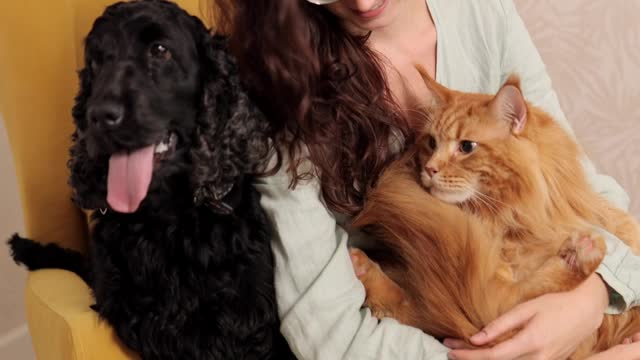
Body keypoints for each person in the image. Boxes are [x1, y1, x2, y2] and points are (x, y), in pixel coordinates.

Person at [211, 0, 640, 358]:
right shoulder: (280, 87)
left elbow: (586, 194)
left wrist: (596, 295)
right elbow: (329, 335)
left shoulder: (480, 12)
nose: (362, 3)